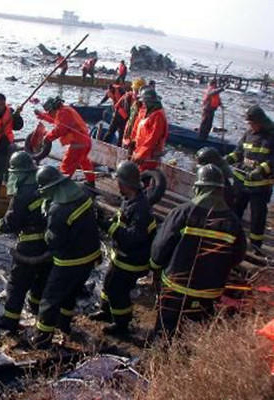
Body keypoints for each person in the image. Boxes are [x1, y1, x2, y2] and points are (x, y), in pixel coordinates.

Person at [150, 164, 246, 339]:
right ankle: (183, 362)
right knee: (192, 334)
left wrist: (155, 268)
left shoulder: (183, 213)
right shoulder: (233, 222)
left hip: (176, 288)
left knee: (165, 329)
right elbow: (238, 256)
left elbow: (160, 248)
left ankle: (158, 360)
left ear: (199, 187)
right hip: (209, 293)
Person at [32, 166, 102, 348]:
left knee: (50, 298)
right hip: (90, 256)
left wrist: (46, 219)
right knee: (70, 293)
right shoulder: (81, 193)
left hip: (69, 261)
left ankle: (42, 339)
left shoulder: (59, 210)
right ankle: (64, 325)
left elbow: (53, 241)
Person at [0, 152, 52, 331]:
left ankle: (10, 320)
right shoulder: (44, 184)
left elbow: (11, 222)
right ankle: (35, 307)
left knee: (17, 284)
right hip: (49, 242)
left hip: (29, 245)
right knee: (41, 278)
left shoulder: (22, 194)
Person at [93, 161, 157, 335]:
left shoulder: (141, 210)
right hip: (121, 256)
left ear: (123, 183)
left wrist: (107, 226)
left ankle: (121, 325)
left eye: (118, 181)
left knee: (118, 291)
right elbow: (121, 221)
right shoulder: (130, 200)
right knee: (108, 283)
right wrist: (107, 220)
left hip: (132, 260)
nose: (116, 184)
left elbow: (132, 238)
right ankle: (106, 312)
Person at [225, 105, 274, 248]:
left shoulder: (271, 136)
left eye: (253, 123)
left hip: (260, 186)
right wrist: (227, 159)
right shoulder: (248, 134)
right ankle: (232, 239)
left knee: (257, 217)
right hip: (241, 181)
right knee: (235, 212)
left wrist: (262, 170)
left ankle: (255, 245)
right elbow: (238, 152)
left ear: (260, 121)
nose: (251, 126)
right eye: (249, 123)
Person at [34, 96, 95, 186]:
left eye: (49, 111)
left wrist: (48, 138)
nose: (49, 114)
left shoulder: (63, 113)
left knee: (66, 165)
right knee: (84, 162)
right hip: (85, 142)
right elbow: (57, 121)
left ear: (53, 108)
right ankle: (91, 182)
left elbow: (60, 129)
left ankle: (61, 186)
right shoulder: (65, 110)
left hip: (78, 144)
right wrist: (42, 116)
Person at [130, 88, 169, 172]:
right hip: (140, 151)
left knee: (145, 177)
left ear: (149, 102)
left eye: (144, 102)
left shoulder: (158, 116)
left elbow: (152, 138)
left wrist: (141, 154)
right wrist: (133, 141)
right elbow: (137, 128)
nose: (143, 103)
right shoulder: (145, 112)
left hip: (149, 155)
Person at [122, 78, 147, 149]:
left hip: (136, 139)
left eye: (136, 91)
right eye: (134, 90)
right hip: (129, 134)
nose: (134, 93)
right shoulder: (135, 104)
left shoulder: (144, 108)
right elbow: (130, 121)